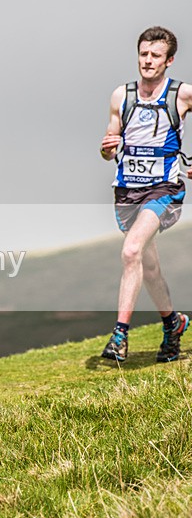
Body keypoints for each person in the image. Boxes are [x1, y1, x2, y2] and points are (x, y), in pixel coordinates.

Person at [100, 26, 192, 363]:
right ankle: (173, 324)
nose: (148, 61)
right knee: (147, 266)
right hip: (127, 190)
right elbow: (109, 147)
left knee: (131, 251)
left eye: (155, 55)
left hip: (164, 188)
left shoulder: (181, 94)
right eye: (143, 54)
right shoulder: (121, 96)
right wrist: (106, 149)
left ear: (169, 60)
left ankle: (119, 336)